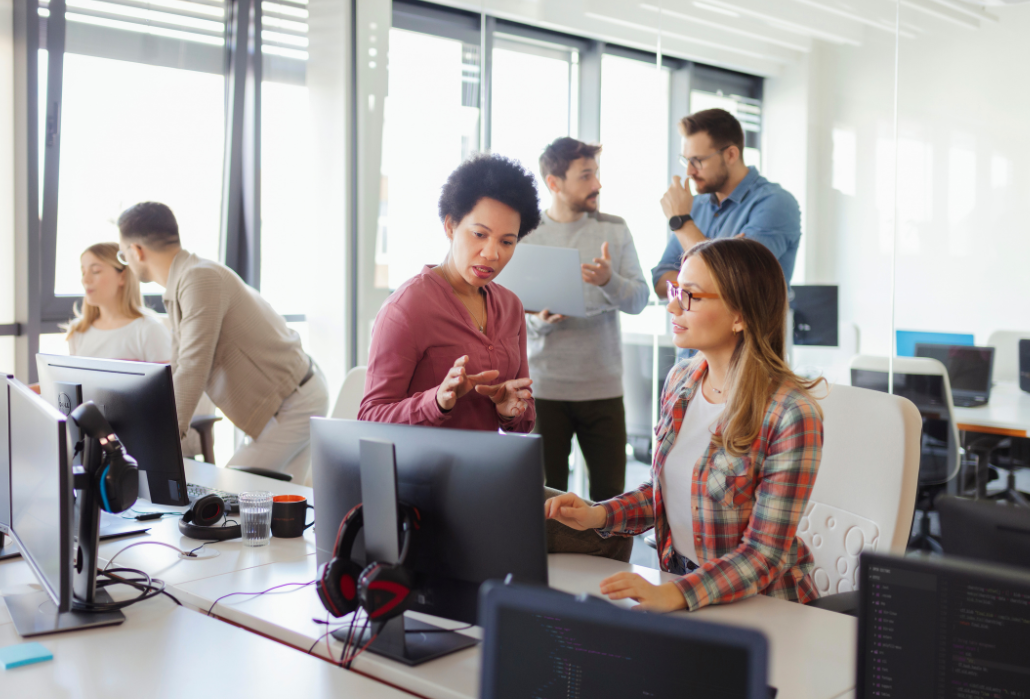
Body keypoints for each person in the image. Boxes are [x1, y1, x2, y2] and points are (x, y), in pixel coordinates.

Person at [546, 237, 824, 611]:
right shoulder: (682, 380)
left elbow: (764, 555)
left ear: (740, 315)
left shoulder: (790, 413)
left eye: (690, 295)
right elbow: (666, 491)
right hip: (685, 588)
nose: (672, 305)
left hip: (766, 607)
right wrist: (596, 514)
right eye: (676, 289)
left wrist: (675, 594)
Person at [117, 202, 328, 483]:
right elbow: (180, 366)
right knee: (280, 510)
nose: (126, 261)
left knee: (229, 490)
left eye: (123, 254)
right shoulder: (182, 283)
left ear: (136, 251)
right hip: (290, 400)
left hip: (295, 404)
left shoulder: (199, 279)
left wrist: (161, 445)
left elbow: (193, 366)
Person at [359, 153, 540, 433]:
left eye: (507, 241)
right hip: (424, 473)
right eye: (479, 234)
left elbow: (525, 420)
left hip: (486, 470)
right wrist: (437, 402)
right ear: (450, 226)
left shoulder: (511, 306)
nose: (492, 254)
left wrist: (510, 410)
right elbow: (370, 417)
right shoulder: (406, 308)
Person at [521, 137, 650, 503]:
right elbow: (511, 311)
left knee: (610, 500)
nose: (597, 185)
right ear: (554, 183)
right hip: (544, 389)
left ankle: (608, 565)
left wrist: (609, 281)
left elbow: (639, 300)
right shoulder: (527, 235)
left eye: (596, 174)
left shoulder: (615, 229)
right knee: (544, 501)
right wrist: (539, 321)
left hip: (603, 387)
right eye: (586, 176)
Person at [651, 109, 801, 299]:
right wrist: (710, 283)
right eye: (686, 161)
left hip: (752, 329)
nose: (689, 172)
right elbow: (660, 279)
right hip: (699, 328)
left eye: (697, 161)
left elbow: (735, 279)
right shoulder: (695, 205)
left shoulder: (776, 203)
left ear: (731, 155)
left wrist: (681, 221)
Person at [62, 243, 172, 362]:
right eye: (83, 272)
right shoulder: (78, 330)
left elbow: (166, 380)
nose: (85, 279)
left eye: (95, 271)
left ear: (122, 277)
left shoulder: (149, 330)